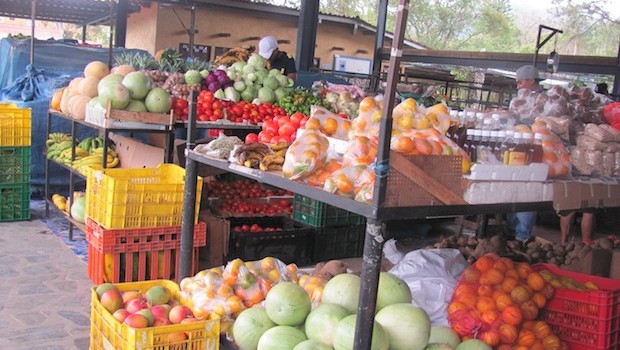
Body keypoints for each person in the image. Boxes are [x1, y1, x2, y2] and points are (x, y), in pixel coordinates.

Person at [505, 65, 544, 243]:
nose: (518, 86)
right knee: (514, 187)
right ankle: (510, 230)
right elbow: (511, 118)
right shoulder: (516, 100)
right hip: (516, 147)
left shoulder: (545, 100)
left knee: (528, 189)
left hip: (537, 150)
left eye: (521, 82)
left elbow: (544, 122)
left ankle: (522, 235)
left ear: (531, 80)